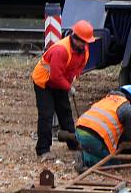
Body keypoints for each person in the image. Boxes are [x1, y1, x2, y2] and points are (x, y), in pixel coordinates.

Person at [31, 20, 96, 161]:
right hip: (44, 82)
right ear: (75, 38)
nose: (86, 45)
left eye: (87, 42)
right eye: (83, 42)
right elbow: (55, 76)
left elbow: (77, 68)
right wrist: (68, 87)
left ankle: (73, 143)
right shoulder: (61, 50)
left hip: (60, 82)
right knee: (46, 115)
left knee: (65, 112)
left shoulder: (83, 50)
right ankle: (43, 150)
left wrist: (72, 81)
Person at [74, 85, 131, 171]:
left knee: (93, 148)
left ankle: (85, 154)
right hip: (96, 136)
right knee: (114, 163)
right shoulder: (127, 108)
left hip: (79, 130)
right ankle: (86, 160)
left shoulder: (106, 99)